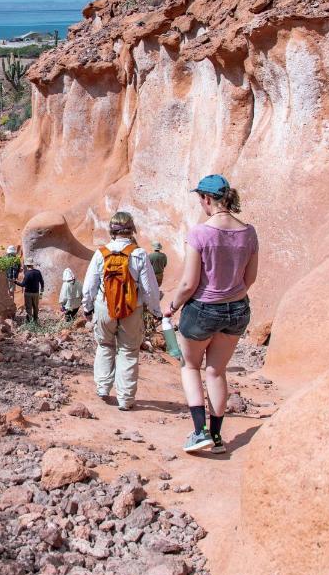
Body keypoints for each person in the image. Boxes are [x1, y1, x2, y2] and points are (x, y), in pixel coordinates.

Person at [164, 174, 259, 454]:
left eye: (201, 199)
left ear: (206, 199)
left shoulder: (200, 233)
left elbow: (188, 283)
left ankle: (198, 432)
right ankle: (217, 438)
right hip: (238, 310)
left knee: (191, 367)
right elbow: (250, 279)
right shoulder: (249, 232)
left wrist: (172, 306)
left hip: (203, 309)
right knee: (216, 372)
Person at [82, 211, 161, 411]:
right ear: (131, 229)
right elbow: (149, 288)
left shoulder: (101, 253)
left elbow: (89, 286)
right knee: (128, 351)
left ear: (112, 230)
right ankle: (125, 399)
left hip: (103, 307)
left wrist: (87, 307)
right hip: (131, 309)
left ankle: (102, 387)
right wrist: (155, 310)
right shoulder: (139, 254)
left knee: (105, 345)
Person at [14, 258, 44, 323]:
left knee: (29, 307)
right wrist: (41, 292)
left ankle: (29, 321)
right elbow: (42, 282)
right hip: (36, 293)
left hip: (28, 294)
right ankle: (35, 320)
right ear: (32, 265)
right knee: (36, 307)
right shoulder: (38, 272)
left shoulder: (27, 274)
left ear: (27, 265)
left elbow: (23, 285)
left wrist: (15, 282)